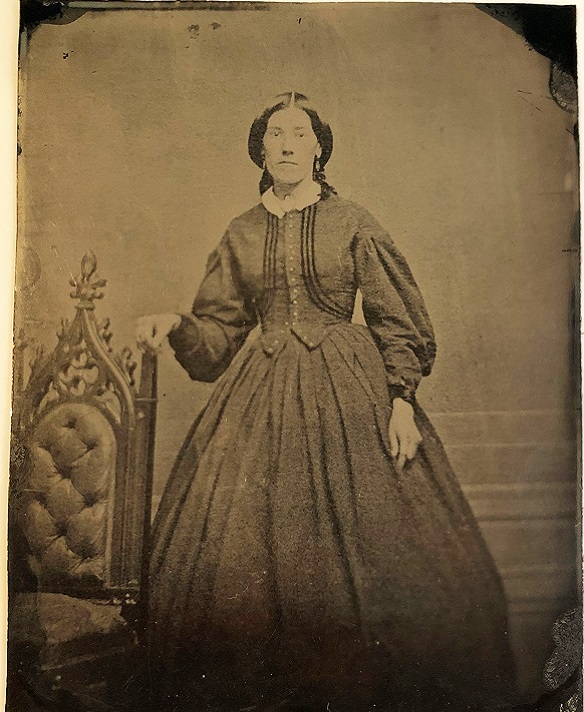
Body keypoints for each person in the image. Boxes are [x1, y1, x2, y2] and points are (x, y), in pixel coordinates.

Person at [136, 92, 516, 712]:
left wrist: (399, 403)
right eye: (275, 135)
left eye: (299, 134)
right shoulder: (241, 231)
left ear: (319, 148)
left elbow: (398, 319)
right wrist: (176, 322)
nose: (287, 144)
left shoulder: (354, 221)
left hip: (350, 394)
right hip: (258, 394)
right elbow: (216, 340)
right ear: (261, 150)